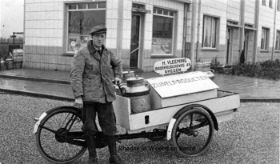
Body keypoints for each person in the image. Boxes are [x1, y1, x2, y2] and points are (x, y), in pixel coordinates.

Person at [70, 24, 125, 164]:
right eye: (97, 36)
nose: (100, 39)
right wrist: (78, 96)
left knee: (110, 126)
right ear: (91, 37)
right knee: (89, 128)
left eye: (102, 36)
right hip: (88, 98)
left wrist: (118, 76)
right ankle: (92, 157)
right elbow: (76, 75)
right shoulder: (83, 53)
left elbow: (118, 63)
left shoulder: (107, 52)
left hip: (105, 96)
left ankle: (114, 157)